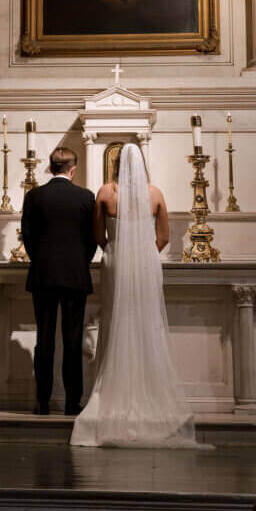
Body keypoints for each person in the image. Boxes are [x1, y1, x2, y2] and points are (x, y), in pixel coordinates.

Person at [70, 143, 197, 447]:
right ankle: (147, 391)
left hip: (115, 263)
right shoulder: (155, 194)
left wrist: (118, 250)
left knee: (115, 322)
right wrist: (142, 253)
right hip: (145, 262)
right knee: (146, 323)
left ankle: (112, 391)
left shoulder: (105, 193)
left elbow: (98, 236)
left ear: (115, 165)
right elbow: (164, 237)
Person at [21, 146, 97, 415]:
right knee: (73, 340)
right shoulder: (86, 197)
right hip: (75, 276)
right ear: (72, 169)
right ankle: (72, 402)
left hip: (43, 275)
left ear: (50, 167)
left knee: (45, 339)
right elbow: (92, 239)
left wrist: (41, 259)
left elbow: (27, 236)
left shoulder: (34, 196)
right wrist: (79, 262)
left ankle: (42, 401)